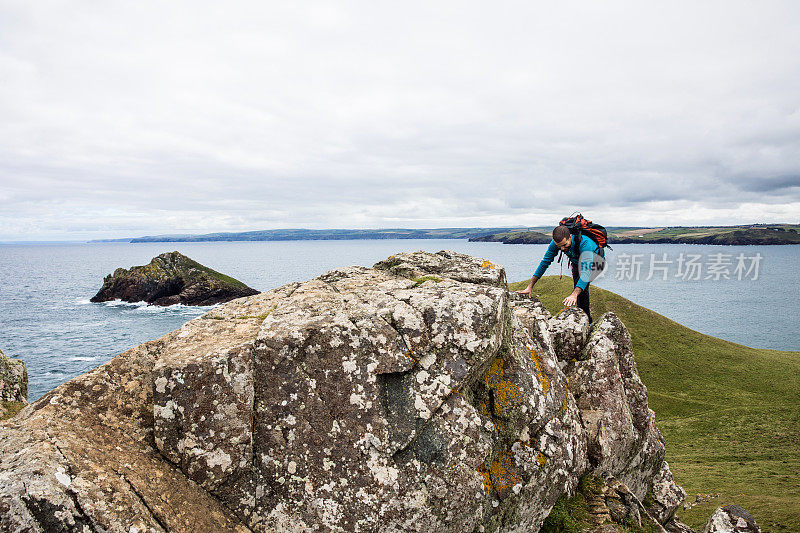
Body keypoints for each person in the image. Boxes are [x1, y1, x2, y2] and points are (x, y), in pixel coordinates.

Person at [516, 225, 604, 324]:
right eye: (559, 246)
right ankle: (582, 317)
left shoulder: (585, 243)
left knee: (582, 290)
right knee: (578, 285)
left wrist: (574, 294)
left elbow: (586, 271)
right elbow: (545, 262)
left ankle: (587, 322)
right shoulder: (556, 243)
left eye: (564, 245)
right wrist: (530, 286)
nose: (562, 249)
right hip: (576, 261)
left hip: (595, 262)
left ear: (570, 236)